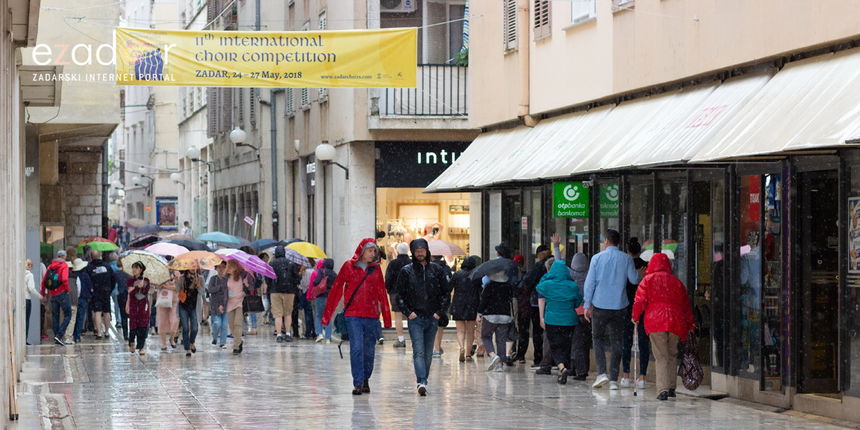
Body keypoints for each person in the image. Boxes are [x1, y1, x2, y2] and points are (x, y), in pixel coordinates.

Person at [321, 238, 392, 396]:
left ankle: (366, 378)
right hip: (353, 315)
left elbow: (382, 292)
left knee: (369, 350)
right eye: (370, 250)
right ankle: (358, 382)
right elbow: (336, 289)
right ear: (362, 251)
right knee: (357, 348)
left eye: (374, 251)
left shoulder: (376, 269)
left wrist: (387, 318)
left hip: (371, 315)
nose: (372, 254)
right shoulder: (348, 266)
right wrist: (327, 315)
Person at [631, 252, 696, 401]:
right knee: (672, 354)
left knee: (661, 356)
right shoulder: (677, 282)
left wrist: (635, 317)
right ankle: (672, 387)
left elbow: (639, 301)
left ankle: (663, 389)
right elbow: (686, 305)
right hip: (676, 321)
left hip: (655, 321)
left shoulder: (647, 280)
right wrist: (690, 323)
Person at [584, 229, 640, 390]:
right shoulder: (626, 259)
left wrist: (587, 305)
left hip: (600, 305)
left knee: (598, 338)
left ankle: (602, 373)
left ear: (606, 241)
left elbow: (590, 283)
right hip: (619, 306)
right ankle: (614, 379)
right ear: (618, 242)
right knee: (617, 341)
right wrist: (640, 274)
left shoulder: (597, 258)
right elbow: (634, 279)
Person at [396, 239, 451, 396]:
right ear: (413, 252)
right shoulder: (406, 271)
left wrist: (439, 312)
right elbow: (400, 295)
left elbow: (446, 293)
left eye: (422, 250)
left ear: (427, 251)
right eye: (417, 250)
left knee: (427, 353)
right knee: (419, 351)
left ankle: (423, 380)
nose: (420, 253)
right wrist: (408, 312)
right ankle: (422, 381)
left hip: (432, 317)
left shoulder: (437, 270)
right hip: (415, 318)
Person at [537, 260, 583, 385]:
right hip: (569, 321)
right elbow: (578, 302)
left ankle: (562, 368)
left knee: (554, 345)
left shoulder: (547, 284)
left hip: (552, 320)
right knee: (565, 345)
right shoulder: (572, 286)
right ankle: (564, 366)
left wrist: (548, 275)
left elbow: (539, 287)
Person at [621, 237, 650, 389]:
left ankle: (626, 375)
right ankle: (642, 376)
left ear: (627, 251)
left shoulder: (625, 266)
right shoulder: (646, 266)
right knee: (643, 341)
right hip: (644, 307)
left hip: (627, 306)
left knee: (626, 341)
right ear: (640, 251)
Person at [517, 244, 552, 366]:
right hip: (554, 302)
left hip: (537, 303)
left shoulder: (539, 266)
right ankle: (554, 359)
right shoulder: (557, 264)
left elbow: (527, 281)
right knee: (552, 332)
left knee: (538, 331)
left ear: (541, 254)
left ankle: (539, 358)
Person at [478, 271, 514, 372]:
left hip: (490, 315)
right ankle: (500, 365)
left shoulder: (489, 286)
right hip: (505, 315)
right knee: (501, 340)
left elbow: (483, 301)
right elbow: (511, 299)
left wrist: (479, 313)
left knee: (486, 336)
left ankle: (493, 355)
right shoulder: (508, 286)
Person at [451, 256, 482, 362]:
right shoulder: (476, 275)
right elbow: (480, 291)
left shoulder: (457, 274)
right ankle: (468, 354)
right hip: (472, 304)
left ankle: (461, 347)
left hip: (458, 304)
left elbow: (449, 287)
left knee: (460, 331)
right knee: (470, 331)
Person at [268, 246, 301, 342]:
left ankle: (279, 334)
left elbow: (268, 278)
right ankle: (288, 333)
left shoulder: (271, 264)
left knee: (277, 314)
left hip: (275, 291)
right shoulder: (291, 263)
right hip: (289, 292)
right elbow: (297, 278)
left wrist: (271, 287)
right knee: (288, 313)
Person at [569, 253, 592, 380]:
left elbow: (558, 262)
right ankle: (582, 368)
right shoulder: (589, 274)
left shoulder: (571, 275)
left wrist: (556, 248)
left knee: (575, 343)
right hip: (588, 313)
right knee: (584, 343)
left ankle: (578, 369)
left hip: (575, 313)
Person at [41, 250, 72, 346]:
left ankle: (56, 336)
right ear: (64, 257)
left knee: (55, 316)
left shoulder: (50, 266)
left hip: (53, 294)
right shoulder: (64, 265)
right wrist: (67, 289)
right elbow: (64, 279)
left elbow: (44, 281)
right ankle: (59, 335)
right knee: (68, 314)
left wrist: (43, 293)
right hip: (62, 293)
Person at [384, 242, 411, 348]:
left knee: (398, 316)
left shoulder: (393, 263)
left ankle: (401, 339)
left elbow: (388, 279)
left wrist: (390, 290)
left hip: (396, 292)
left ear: (398, 251)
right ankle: (415, 338)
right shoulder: (412, 263)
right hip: (411, 293)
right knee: (412, 315)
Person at [86, 251, 115, 339]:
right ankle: (107, 332)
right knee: (107, 312)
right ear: (100, 256)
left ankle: (99, 332)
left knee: (97, 312)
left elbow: (87, 280)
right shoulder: (107, 266)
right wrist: (110, 289)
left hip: (95, 292)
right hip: (106, 292)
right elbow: (113, 279)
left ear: (91, 257)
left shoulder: (89, 267)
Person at [429, 255, 453, 357]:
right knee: (440, 325)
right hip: (444, 300)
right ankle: (437, 346)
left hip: (432, 300)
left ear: (432, 257)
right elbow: (449, 285)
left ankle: (436, 348)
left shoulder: (430, 268)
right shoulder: (446, 268)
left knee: (433, 324)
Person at [226, 260, 251, 354]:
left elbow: (250, 288)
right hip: (229, 303)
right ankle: (239, 341)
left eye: (231, 266)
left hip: (239, 302)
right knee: (231, 325)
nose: (229, 268)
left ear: (236, 267)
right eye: (228, 266)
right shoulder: (226, 277)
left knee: (237, 323)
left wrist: (246, 285)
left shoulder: (242, 276)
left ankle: (236, 346)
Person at [309, 258, 336, 343]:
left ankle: (320, 334)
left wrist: (314, 282)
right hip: (330, 298)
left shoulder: (321, 271)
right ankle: (328, 337)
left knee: (318, 316)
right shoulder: (334, 274)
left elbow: (316, 282)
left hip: (321, 296)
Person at [126, 262, 151, 355]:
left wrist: (142, 287)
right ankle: (131, 342)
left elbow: (145, 292)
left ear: (141, 270)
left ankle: (141, 347)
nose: (134, 270)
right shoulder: (130, 280)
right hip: (133, 306)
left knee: (142, 326)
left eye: (136, 268)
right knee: (133, 326)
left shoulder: (146, 280)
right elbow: (130, 292)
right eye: (133, 268)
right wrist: (137, 287)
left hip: (143, 307)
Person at [177, 270, 200, 356]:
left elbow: (202, 292)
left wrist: (198, 286)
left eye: (194, 266)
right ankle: (187, 349)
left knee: (195, 328)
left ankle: (192, 342)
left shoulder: (200, 278)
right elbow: (177, 290)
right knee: (185, 328)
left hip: (194, 306)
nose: (193, 268)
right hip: (183, 305)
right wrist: (179, 283)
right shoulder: (182, 278)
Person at [155, 272, 180, 350]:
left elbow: (179, 287)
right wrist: (163, 282)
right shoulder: (160, 273)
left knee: (175, 320)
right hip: (163, 301)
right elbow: (157, 286)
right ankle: (163, 343)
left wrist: (167, 286)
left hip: (174, 301)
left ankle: (172, 339)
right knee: (162, 322)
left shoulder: (177, 274)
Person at [208, 262, 229, 348]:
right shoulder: (213, 279)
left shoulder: (227, 279)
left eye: (223, 267)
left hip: (226, 305)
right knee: (217, 323)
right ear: (216, 268)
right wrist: (219, 287)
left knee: (224, 325)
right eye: (219, 267)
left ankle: (223, 342)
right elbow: (210, 290)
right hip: (215, 306)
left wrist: (223, 305)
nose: (221, 269)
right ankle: (215, 337)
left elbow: (228, 293)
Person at [72, 259, 93, 344]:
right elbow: (90, 287)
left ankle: (72, 334)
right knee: (80, 317)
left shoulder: (73, 275)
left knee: (73, 318)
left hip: (74, 298)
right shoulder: (85, 275)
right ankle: (77, 336)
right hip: (83, 298)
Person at [24, 259, 43, 345]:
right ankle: (25, 340)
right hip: (27, 299)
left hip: (19, 300)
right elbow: (31, 288)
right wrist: (40, 296)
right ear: (30, 266)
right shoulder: (29, 275)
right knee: (26, 320)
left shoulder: (18, 274)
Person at [114, 260, 131, 341]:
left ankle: (125, 335)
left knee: (123, 315)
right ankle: (132, 333)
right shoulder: (131, 274)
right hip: (131, 295)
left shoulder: (117, 273)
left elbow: (113, 283)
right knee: (132, 315)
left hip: (121, 295)